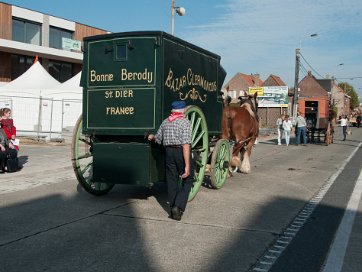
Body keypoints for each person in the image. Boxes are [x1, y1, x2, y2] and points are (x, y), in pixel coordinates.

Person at [148, 101, 193, 221]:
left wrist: (151, 137)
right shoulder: (185, 122)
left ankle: (173, 208)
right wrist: (187, 165)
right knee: (188, 179)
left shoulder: (165, 122)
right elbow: (186, 145)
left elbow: (158, 139)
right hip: (180, 152)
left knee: (172, 180)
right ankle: (178, 206)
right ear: (183, 111)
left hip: (168, 152)